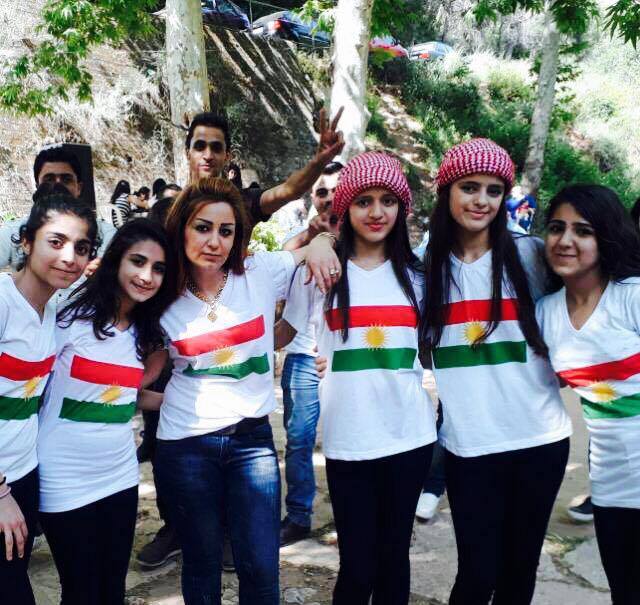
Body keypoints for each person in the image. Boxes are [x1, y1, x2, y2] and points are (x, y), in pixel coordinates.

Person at [144, 177, 339, 604]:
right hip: (185, 446)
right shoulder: (160, 294)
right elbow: (136, 364)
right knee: (201, 565)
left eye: (226, 231)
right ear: (181, 229)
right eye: (202, 228)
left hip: (252, 443)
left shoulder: (259, 272)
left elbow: (310, 249)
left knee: (261, 567)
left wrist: (323, 240)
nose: (214, 241)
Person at [280, 152, 437, 605]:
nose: (376, 212)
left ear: (402, 208)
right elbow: (279, 334)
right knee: (356, 567)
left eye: (388, 200)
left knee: (394, 562)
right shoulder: (320, 272)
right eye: (364, 201)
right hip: (349, 440)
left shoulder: (419, 278)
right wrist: (313, 243)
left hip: (409, 437)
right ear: (346, 208)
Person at [421, 138, 572, 604]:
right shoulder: (423, 266)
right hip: (470, 447)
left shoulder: (532, 256)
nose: (481, 201)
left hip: (540, 441)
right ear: (446, 191)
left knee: (518, 573)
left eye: (493, 190)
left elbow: (592, 286)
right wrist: (320, 241)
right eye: (469, 187)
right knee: (476, 573)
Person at [37, 219, 177, 604]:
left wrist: (181, 400)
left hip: (119, 475)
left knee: (113, 590)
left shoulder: (144, 332)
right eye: (138, 261)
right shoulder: (67, 320)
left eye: (158, 268)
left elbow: (119, 396)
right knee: (81, 592)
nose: (147, 276)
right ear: (116, 261)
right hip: (63, 478)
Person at [536, 185, 640, 604]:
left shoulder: (631, 296)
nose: (566, 240)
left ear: (606, 237)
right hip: (611, 482)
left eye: (583, 231)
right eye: (557, 228)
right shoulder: (545, 313)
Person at [0, 194, 99, 605]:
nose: (69, 257)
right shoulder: (3, 302)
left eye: (81, 247)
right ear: (26, 241)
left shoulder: (53, 310)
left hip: (24, 474)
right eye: (55, 242)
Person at [276, 160, 343, 546]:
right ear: (312, 197)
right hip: (302, 355)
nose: (329, 198)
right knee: (299, 441)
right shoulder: (298, 237)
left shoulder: (361, 239)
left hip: (345, 359)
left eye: (336, 190)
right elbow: (282, 257)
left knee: (344, 438)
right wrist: (313, 236)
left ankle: (348, 512)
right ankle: (299, 516)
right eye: (321, 191)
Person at [0, 144, 116, 272]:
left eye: (66, 180)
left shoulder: (106, 235)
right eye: (49, 179)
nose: (57, 186)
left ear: (79, 188)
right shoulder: (14, 232)